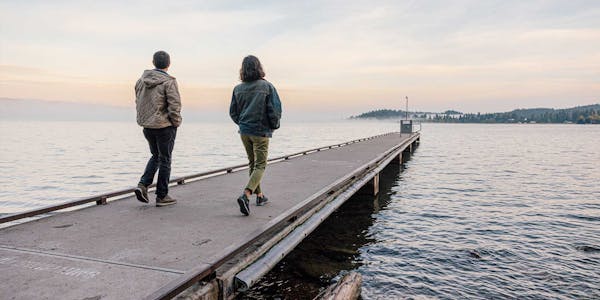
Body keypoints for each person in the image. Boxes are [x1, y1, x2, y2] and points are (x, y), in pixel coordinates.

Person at [229, 55, 282, 216]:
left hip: (245, 131)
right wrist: (274, 125)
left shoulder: (238, 89)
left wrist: (243, 123)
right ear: (259, 68)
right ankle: (246, 195)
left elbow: (233, 112)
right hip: (260, 131)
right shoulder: (267, 86)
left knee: (253, 163)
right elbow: (275, 110)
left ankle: (259, 196)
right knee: (260, 165)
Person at [134, 50, 182, 207]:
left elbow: (137, 101)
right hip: (164, 125)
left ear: (153, 62)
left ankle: (143, 184)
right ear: (169, 64)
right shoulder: (169, 81)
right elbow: (174, 105)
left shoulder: (141, 81)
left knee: (156, 155)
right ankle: (162, 196)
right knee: (165, 159)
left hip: (147, 125)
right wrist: (176, 122)